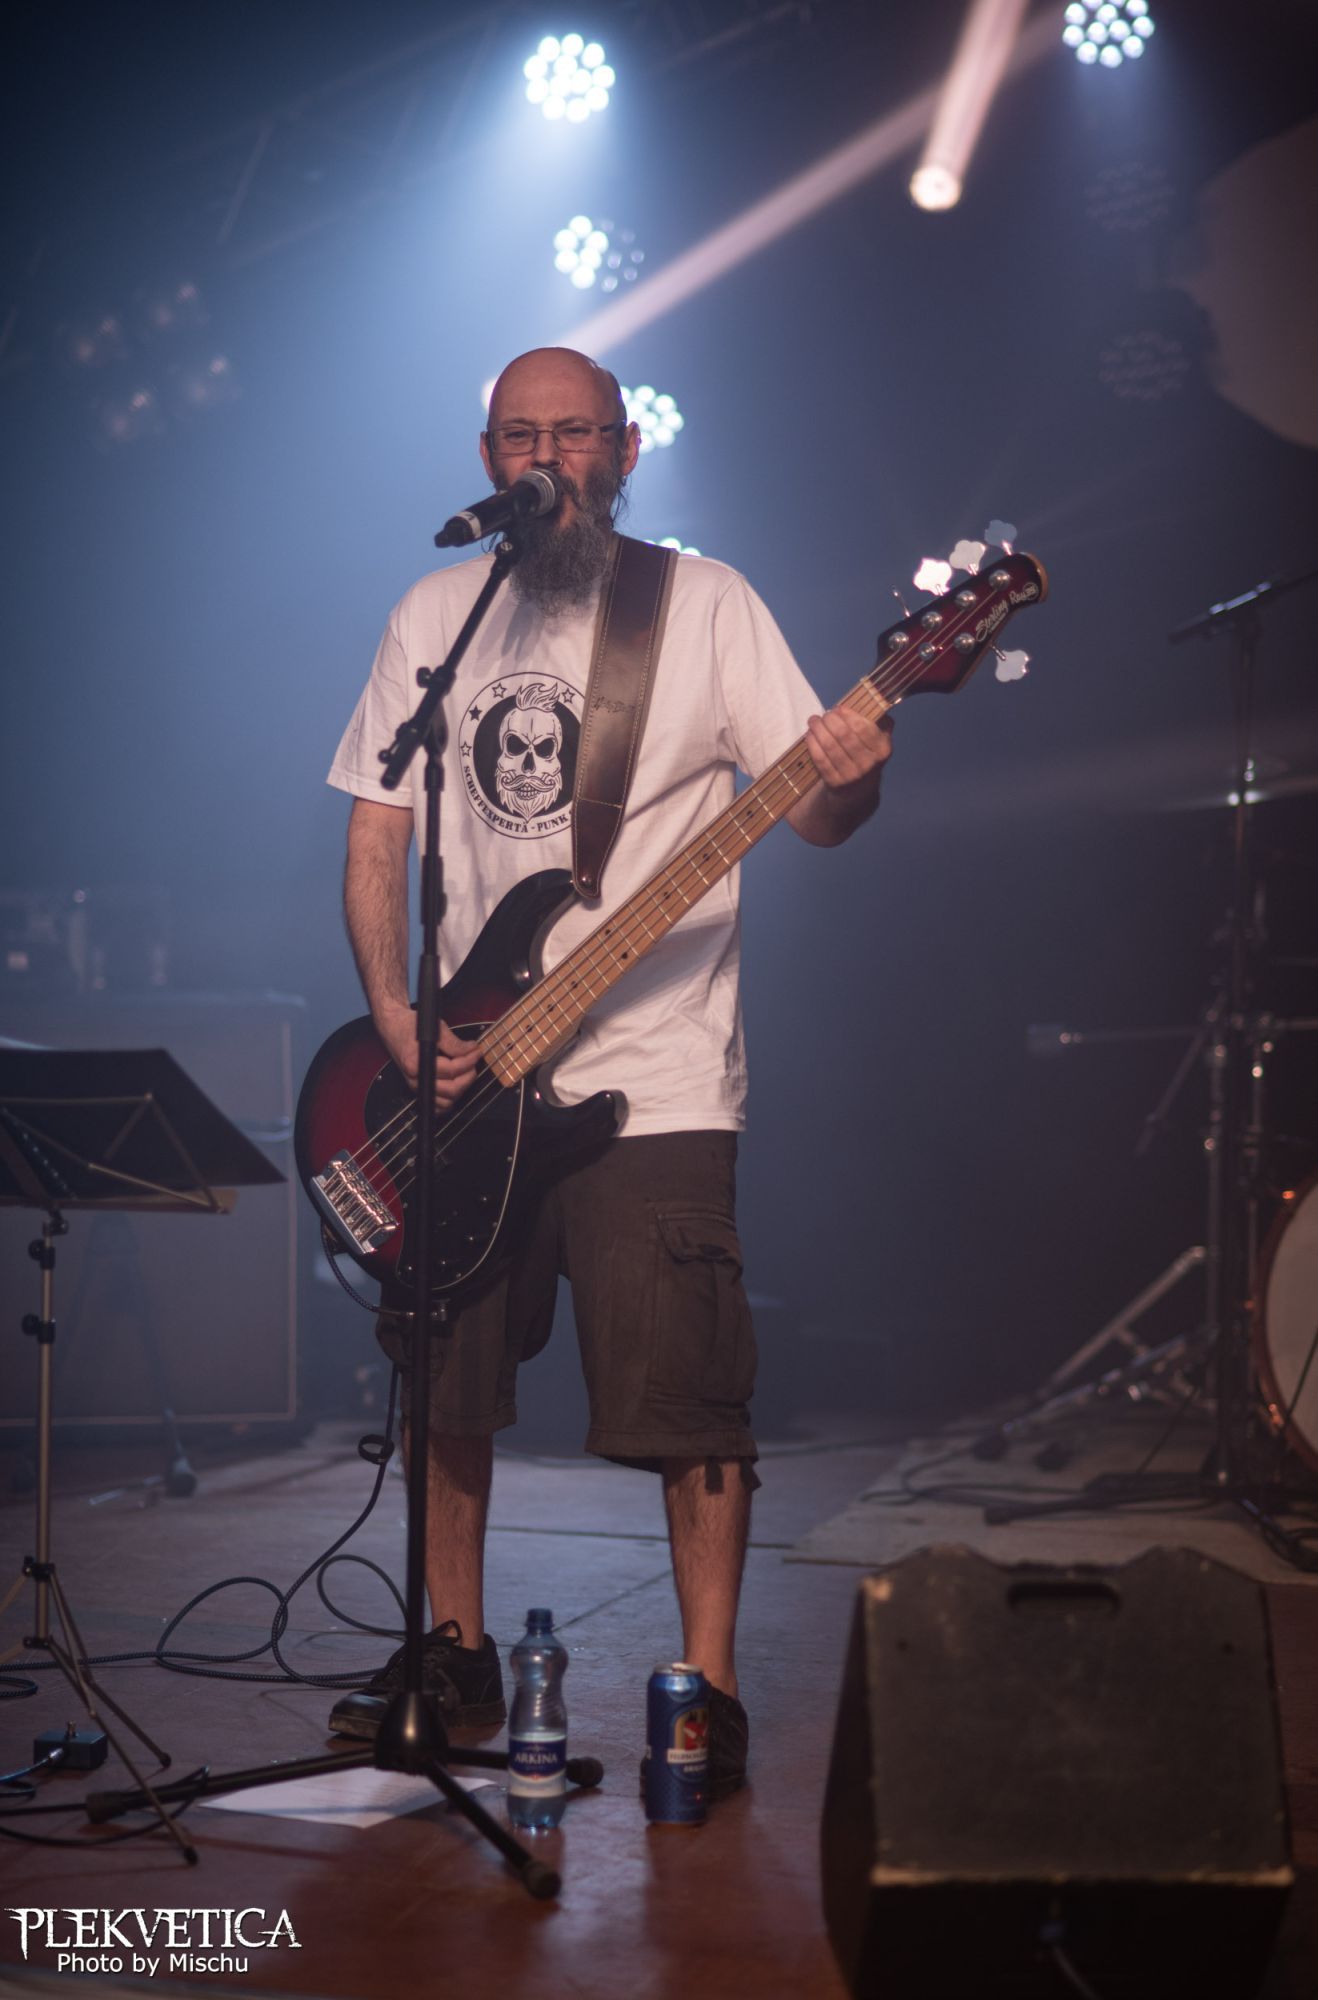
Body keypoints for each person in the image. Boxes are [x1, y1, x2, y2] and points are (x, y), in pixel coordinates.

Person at [323, 347, 891, 1795]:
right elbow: (378, 825)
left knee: (688, 1399)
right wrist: (391, 1012)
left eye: (573, 434)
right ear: (486, 456)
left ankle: (702, 1686)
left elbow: (819, 816)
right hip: (468, 1071)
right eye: (520, 436)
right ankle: (455, 1652)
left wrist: (855, 770)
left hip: (659, 1077)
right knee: (446, 1382)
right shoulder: (434, 614)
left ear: (624, 451)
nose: (546, 459)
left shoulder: (704, 604)